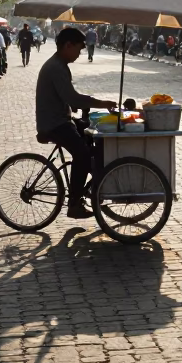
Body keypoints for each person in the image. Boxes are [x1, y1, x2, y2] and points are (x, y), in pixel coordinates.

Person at [36, 27, 120, 219]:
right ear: (68, 45)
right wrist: (102, 103)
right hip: (54, 123)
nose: (79, 53)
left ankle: (87, 189)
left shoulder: (60, 65)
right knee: (81, 154)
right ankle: (74, 204)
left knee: (90, 141)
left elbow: (66, 97)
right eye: (79, 49)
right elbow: (73, 98)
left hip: (60, 118)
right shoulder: (56, 67)